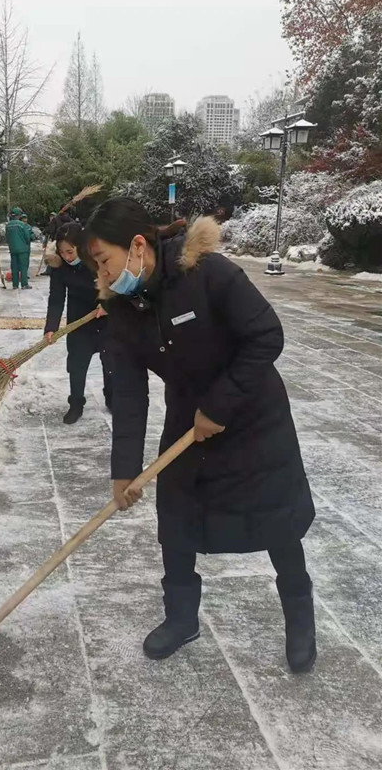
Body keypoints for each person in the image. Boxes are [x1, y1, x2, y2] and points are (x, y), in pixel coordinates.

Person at [80, 197, 316, 673]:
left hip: (254, 418)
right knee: (178, 520)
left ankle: (301, 621)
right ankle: (181, 619)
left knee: (278, 522)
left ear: (138, 246)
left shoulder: (209, 274)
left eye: (104, 261)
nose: (103, 277)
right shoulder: (125, 310)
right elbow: (128, 395)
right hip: (189, 423)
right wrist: (124, 471)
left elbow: (266, 335)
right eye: (96, 267)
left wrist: (220, 404)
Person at [44, 221, 111, 424]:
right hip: (79, 323)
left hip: (105, 319)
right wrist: (51, 328)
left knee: (111, 363)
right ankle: (76, 404)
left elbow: (113, 283)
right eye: (62, 252)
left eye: (70, 251)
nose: (67, 256)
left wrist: (107, 304)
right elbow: (56, 299)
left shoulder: (97, 261)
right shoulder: (60, 268)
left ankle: (112, 396)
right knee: (77, 365)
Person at [6, 206, 31, 290]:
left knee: (14, 267)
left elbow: (7, 238)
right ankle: (24, 284)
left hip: (13, 249)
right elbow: (27, 237)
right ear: (19, 215)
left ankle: (15, 285)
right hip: (22, 249)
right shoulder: (22, 225)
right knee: (23, 267)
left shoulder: (8, 225)